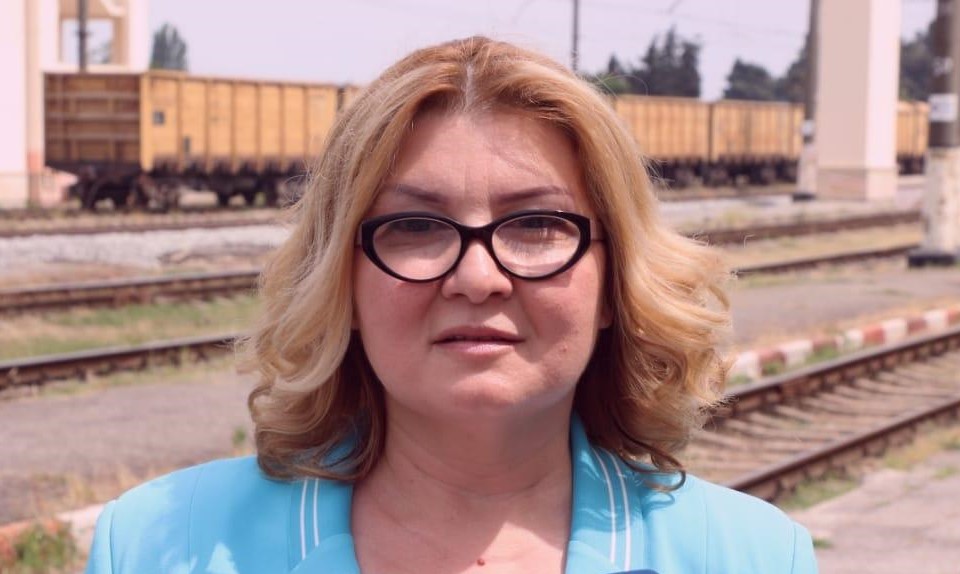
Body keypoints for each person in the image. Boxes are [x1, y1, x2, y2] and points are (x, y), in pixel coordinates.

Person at [84, 36, 817, 574]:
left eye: (537, 225)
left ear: (614, 280)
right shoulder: (158, 546)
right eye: (414, 226)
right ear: (342, 282)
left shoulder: (751, 556)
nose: (477, 277)